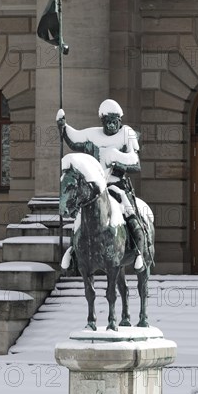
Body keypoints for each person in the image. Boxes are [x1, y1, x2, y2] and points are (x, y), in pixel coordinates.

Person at [56, 99, 147, 271]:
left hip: (118, 187)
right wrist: (63, 126)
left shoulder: (126, 134)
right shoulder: (93, 136)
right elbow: (75, 141)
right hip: (96, 189)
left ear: (120, 121)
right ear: (102, 121)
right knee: (79, 219)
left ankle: (139, 252)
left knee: (132, 217)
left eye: (114, 121)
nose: (111, 125)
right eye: (108, 121)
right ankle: (73, 251)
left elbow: (136, 164)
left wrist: (118, 163)